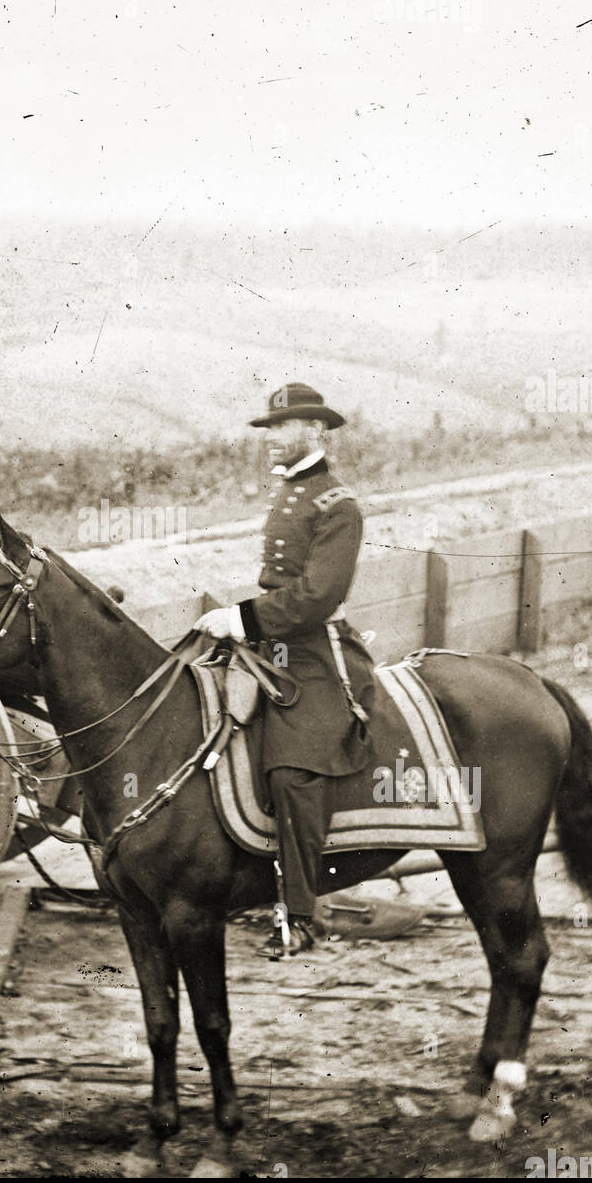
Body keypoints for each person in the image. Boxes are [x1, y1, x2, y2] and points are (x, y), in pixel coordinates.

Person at [193, 383, 375, 956]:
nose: (271, 439)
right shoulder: (291, 491)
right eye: (269, 429)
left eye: (282, 428)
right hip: (272, 639)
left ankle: (300, 914)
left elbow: (318, 595)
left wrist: (242, 618)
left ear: (316, 430)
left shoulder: (336, 503)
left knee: (295, 772)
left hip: (316, 651)